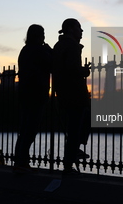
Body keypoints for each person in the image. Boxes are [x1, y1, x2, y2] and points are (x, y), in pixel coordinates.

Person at [53, 18, 91, 176]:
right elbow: (72, 69)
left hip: (63, 91)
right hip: (74, 92)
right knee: (78, 125)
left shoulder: (59, 45)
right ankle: (70, 160)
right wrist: (85, 71)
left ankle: (73, 154)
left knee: (74, 127)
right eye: (79, 28)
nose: (81, 31)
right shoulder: (71, 46)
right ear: (70, 29)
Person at [13, 24, 52, 173]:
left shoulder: (25, 50)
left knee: (25, 129)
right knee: (31, 129)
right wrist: (50, 51)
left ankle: (20, 161)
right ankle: (22, 162)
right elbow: (52, 65)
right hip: (37, 94)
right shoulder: (39, 50)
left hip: (25, 93)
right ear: (39, 35)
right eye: (43, 34)